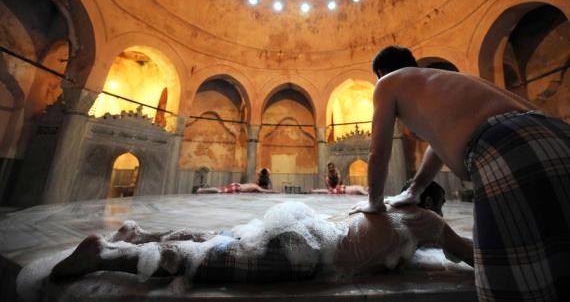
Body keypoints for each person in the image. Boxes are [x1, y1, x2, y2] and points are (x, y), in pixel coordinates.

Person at [350, 45, 570, 301]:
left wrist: (374, 202)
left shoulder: (388, 83)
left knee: (511, 279)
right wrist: (415, 190)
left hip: (508, 147)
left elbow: (378, 150)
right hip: (557, 132)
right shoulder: (452, 80)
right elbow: (438, 144)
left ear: (381, 72)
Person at [49, 201, 473, 285]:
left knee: (216, 242)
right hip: (303, 253)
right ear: (434, 204)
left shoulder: (382, 207)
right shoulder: (428, 220)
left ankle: (135, 237)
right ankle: (102, 254)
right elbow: (465, 252)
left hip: (298, 231)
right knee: (200, 265)